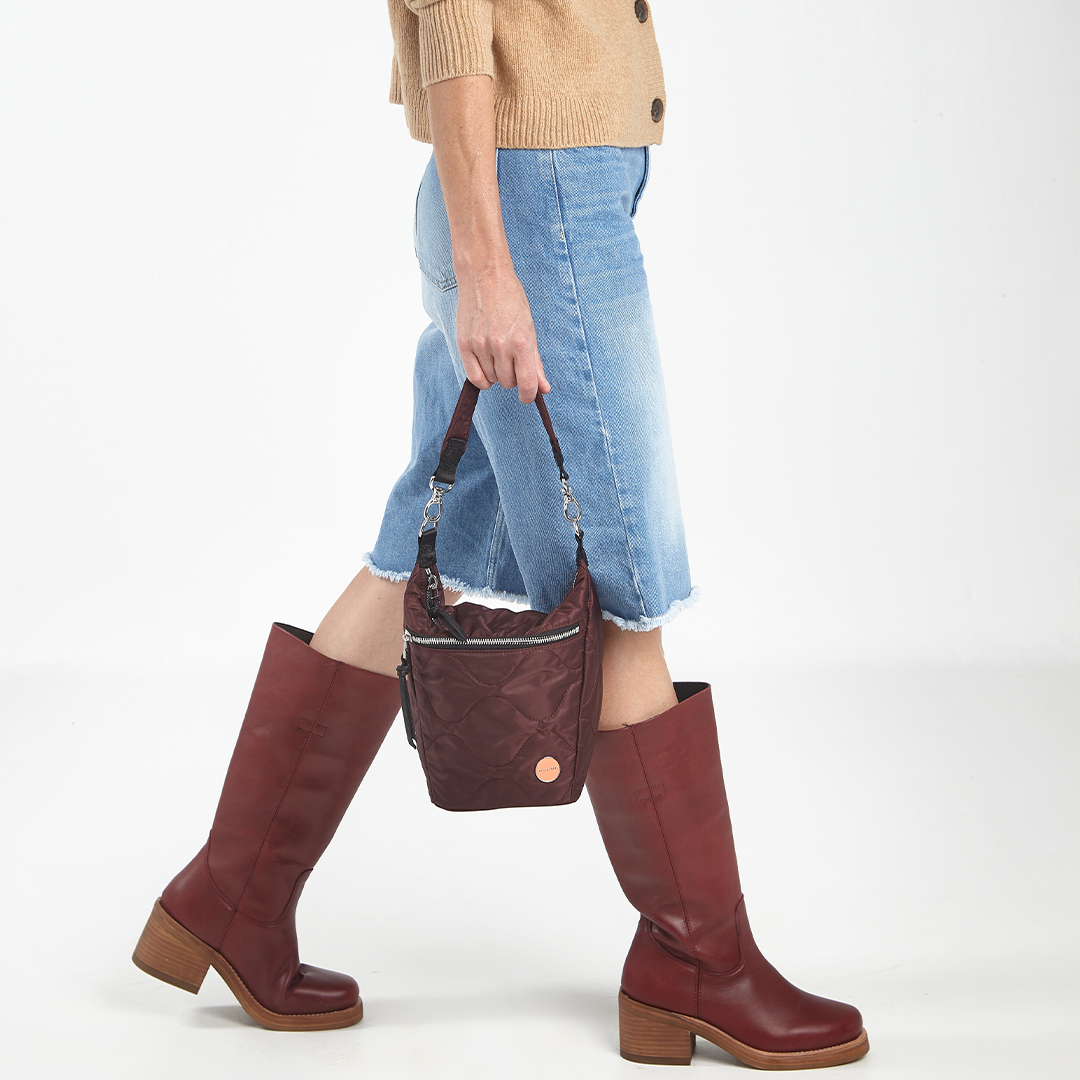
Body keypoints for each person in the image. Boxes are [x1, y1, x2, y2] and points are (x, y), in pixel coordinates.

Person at [132, 1, 868, 1068]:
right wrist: (488, 263)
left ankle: (231, 893)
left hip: (553, 191)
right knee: (622, 584)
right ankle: (697, 962)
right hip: (533, 203)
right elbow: (454, 16)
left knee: (425, 549)